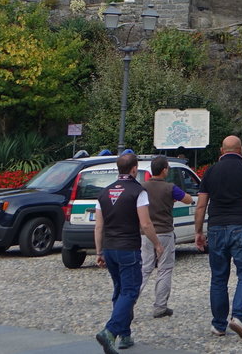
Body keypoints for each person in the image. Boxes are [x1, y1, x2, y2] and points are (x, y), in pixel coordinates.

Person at [194, 135, 242, 341]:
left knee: (218, 277)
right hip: (241, 226)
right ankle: (239, 316)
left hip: (216, 227)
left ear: (222, 150)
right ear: (241, 150)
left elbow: (201, 204)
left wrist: (198, 232)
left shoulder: (210, 172)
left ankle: (219, 324)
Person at [94, 152, 162, 354]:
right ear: (134, 169)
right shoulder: (138, 192)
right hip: (128, 247)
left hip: (109, 247)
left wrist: (99, 251)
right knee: (130, 291)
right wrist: (157, 244)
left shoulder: (103, 193)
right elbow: (145, 223)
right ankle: (110, 331)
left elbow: (98, 226)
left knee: (119, 290)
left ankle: (125, 334)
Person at [140, 155, 193, 318]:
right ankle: (160, 306)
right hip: (164, 232)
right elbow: (188, 200)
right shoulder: (170, 188)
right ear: (164, 170)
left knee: (144, 268)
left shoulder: (142, 187)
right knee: (164, 269)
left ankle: (129, 301)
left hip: (145, 233)